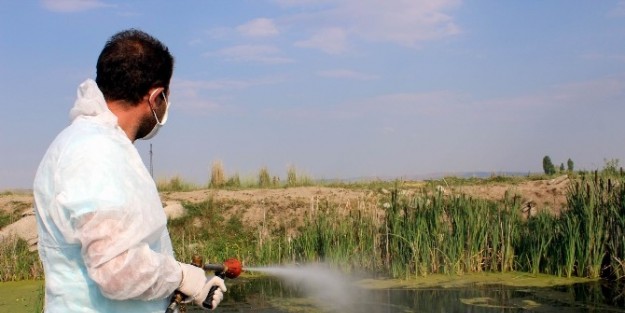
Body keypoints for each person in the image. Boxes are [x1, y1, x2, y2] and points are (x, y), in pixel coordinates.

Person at [33, 29, 226, 312]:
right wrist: (183, 277)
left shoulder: (91, 144)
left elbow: (118, 249)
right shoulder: (96, 152)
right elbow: (116, 270)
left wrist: (181, 284)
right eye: (166, 97)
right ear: (156, 96)